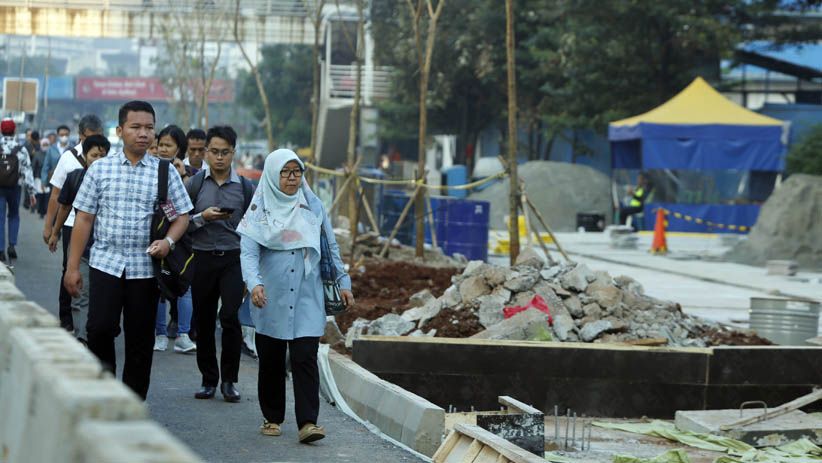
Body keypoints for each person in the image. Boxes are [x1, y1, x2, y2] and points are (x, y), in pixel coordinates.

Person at [64, 100, 193, 400]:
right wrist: (72, 267)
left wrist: (168, 242)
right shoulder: (100, 170)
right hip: (105, 263)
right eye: (136, 127)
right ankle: (104, 391)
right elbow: (83, 218)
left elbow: (182, 216)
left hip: (145, 268)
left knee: (139, 338)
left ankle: (133, 401)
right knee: (99, 329)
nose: (143, 134)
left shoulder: (164, 172)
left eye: (149, 128)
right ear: (120, 131)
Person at [239, 149, 354, 443]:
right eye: (285, 172)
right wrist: (254, 284)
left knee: (305, 356)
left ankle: (307, 422)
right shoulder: (259, 210)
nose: (291, 178)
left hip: (307, 293)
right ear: (273, 174)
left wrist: (343, 280)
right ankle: (273, 417)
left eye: (297, 172)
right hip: (270, 295)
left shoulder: (312, 206)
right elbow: (249, 253)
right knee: (272, 359)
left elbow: (329, 244)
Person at [188, 126, 254, 403]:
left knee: (229, 317)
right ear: (205, 153)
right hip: (201, 258)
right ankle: (208, 379)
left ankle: (229, 380)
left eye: (224, 152)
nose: (219, 158)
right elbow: (181, 223)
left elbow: (254, 227)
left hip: (233, 259)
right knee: (203, 321)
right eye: (213, 152)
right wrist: (202, 217)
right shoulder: (195, 185)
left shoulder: (246, 187)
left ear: (233, 153)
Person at [43, 115, 104, 332]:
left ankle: (90, 318)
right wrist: (50, 228)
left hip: (99, 226)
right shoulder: (68, 158)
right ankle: (67, 317)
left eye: (98, 138)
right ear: (80, 136)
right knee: (69, 268)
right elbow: (56, 195)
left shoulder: (108, 158)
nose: (94, 144)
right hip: (71, 224)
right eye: (89, 138)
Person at [151, 124, 196, 354]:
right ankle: (159, 334)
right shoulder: (151, 168)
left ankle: (183, 334)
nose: (163, 150)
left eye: (169, 145)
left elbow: (188, 208)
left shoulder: (190, 174)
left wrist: (183, 175)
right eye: (161, 145)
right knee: (158, 286)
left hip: (181, 238)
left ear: (180, 149)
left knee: (184, 285)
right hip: (157, 235)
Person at [0, 119, 36, 262]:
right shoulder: (20, 149)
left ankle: (0, 249)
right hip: (15, 187)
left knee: (0, 218)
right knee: (14, 215)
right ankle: (12, 245)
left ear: (1, 131)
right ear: (14, 131)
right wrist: (32, 193)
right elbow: (28, 171)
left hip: (0, 188)